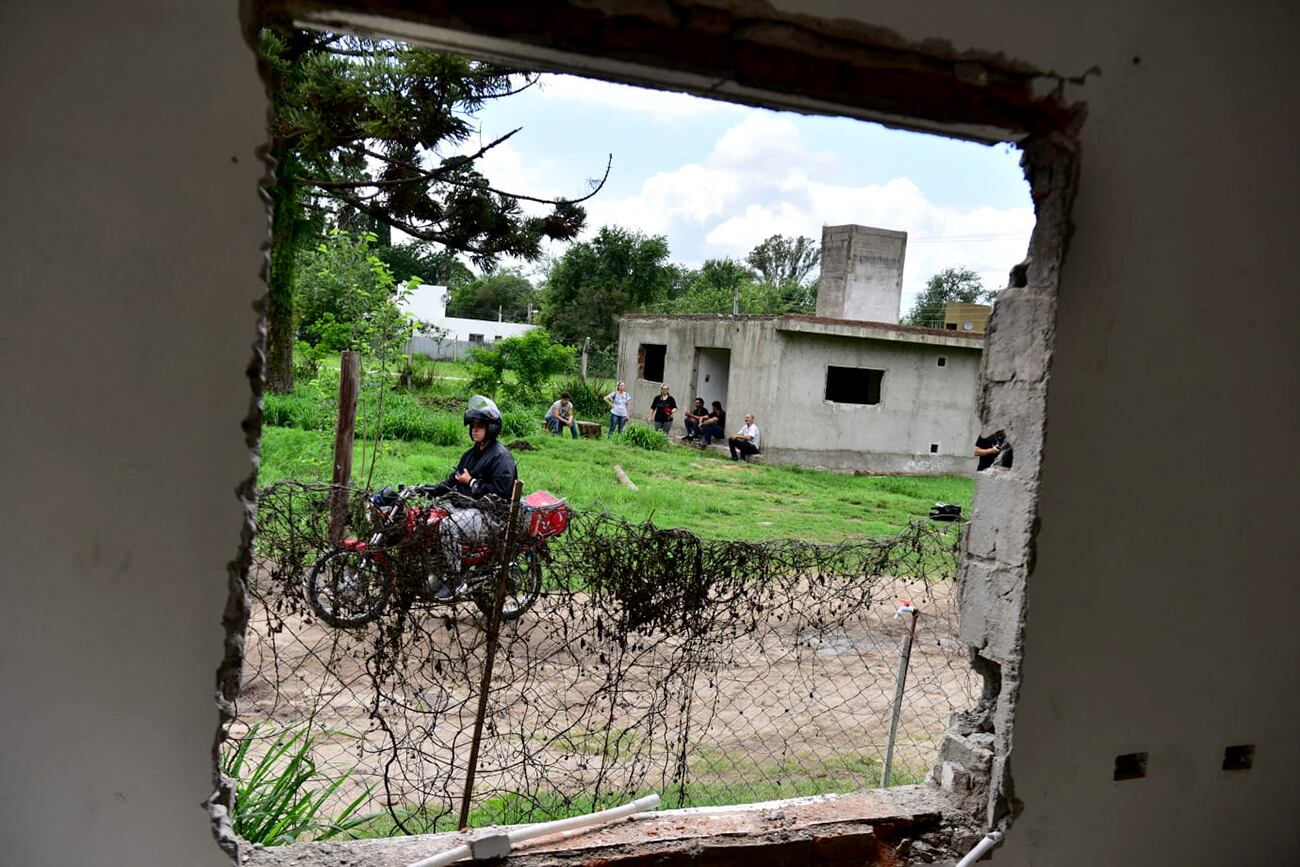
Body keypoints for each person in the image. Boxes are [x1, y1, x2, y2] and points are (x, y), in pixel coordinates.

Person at [419, 395, 518, 598]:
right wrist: (425, 489)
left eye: (479, 425)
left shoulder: (501, 457)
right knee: (427, 519)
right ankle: (433, 571)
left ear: (491, 427)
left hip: (492, 516)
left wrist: (472, 483)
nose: (474, 429)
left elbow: (501, 492)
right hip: (469, 510)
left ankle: (456, 580)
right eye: (472, 425)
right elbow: (451, 483)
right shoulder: (470, 455)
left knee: (448, 526)